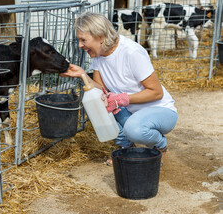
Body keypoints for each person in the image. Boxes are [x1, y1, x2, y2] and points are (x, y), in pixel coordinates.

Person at [60, 11, 178, 165]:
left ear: (100, 37)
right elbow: (100, 89)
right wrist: (82, 74)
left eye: (83, 40)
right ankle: (127, 148)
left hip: (160, 110)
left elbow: (156, 93)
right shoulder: (98, 55)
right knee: (98, 106)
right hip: (130, 110)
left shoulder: (131, 52)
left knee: (133, 129)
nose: (80, 45)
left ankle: (159, 146)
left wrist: (121, 98)